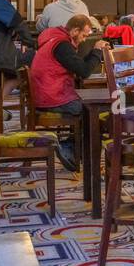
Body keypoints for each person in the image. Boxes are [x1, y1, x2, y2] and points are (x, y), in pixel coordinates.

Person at [31, 14, 110, 172]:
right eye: (83, 35)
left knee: (92, 109)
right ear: (74, 31)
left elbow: (79, 66)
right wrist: (96, 51)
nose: (83, 39)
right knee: (93, 112)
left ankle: (73, 147)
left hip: (48, 93)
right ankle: (71, 149)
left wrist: (93, 52)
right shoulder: (61, 45)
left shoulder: (57, 40)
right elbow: (84, 71)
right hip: (52, 97)